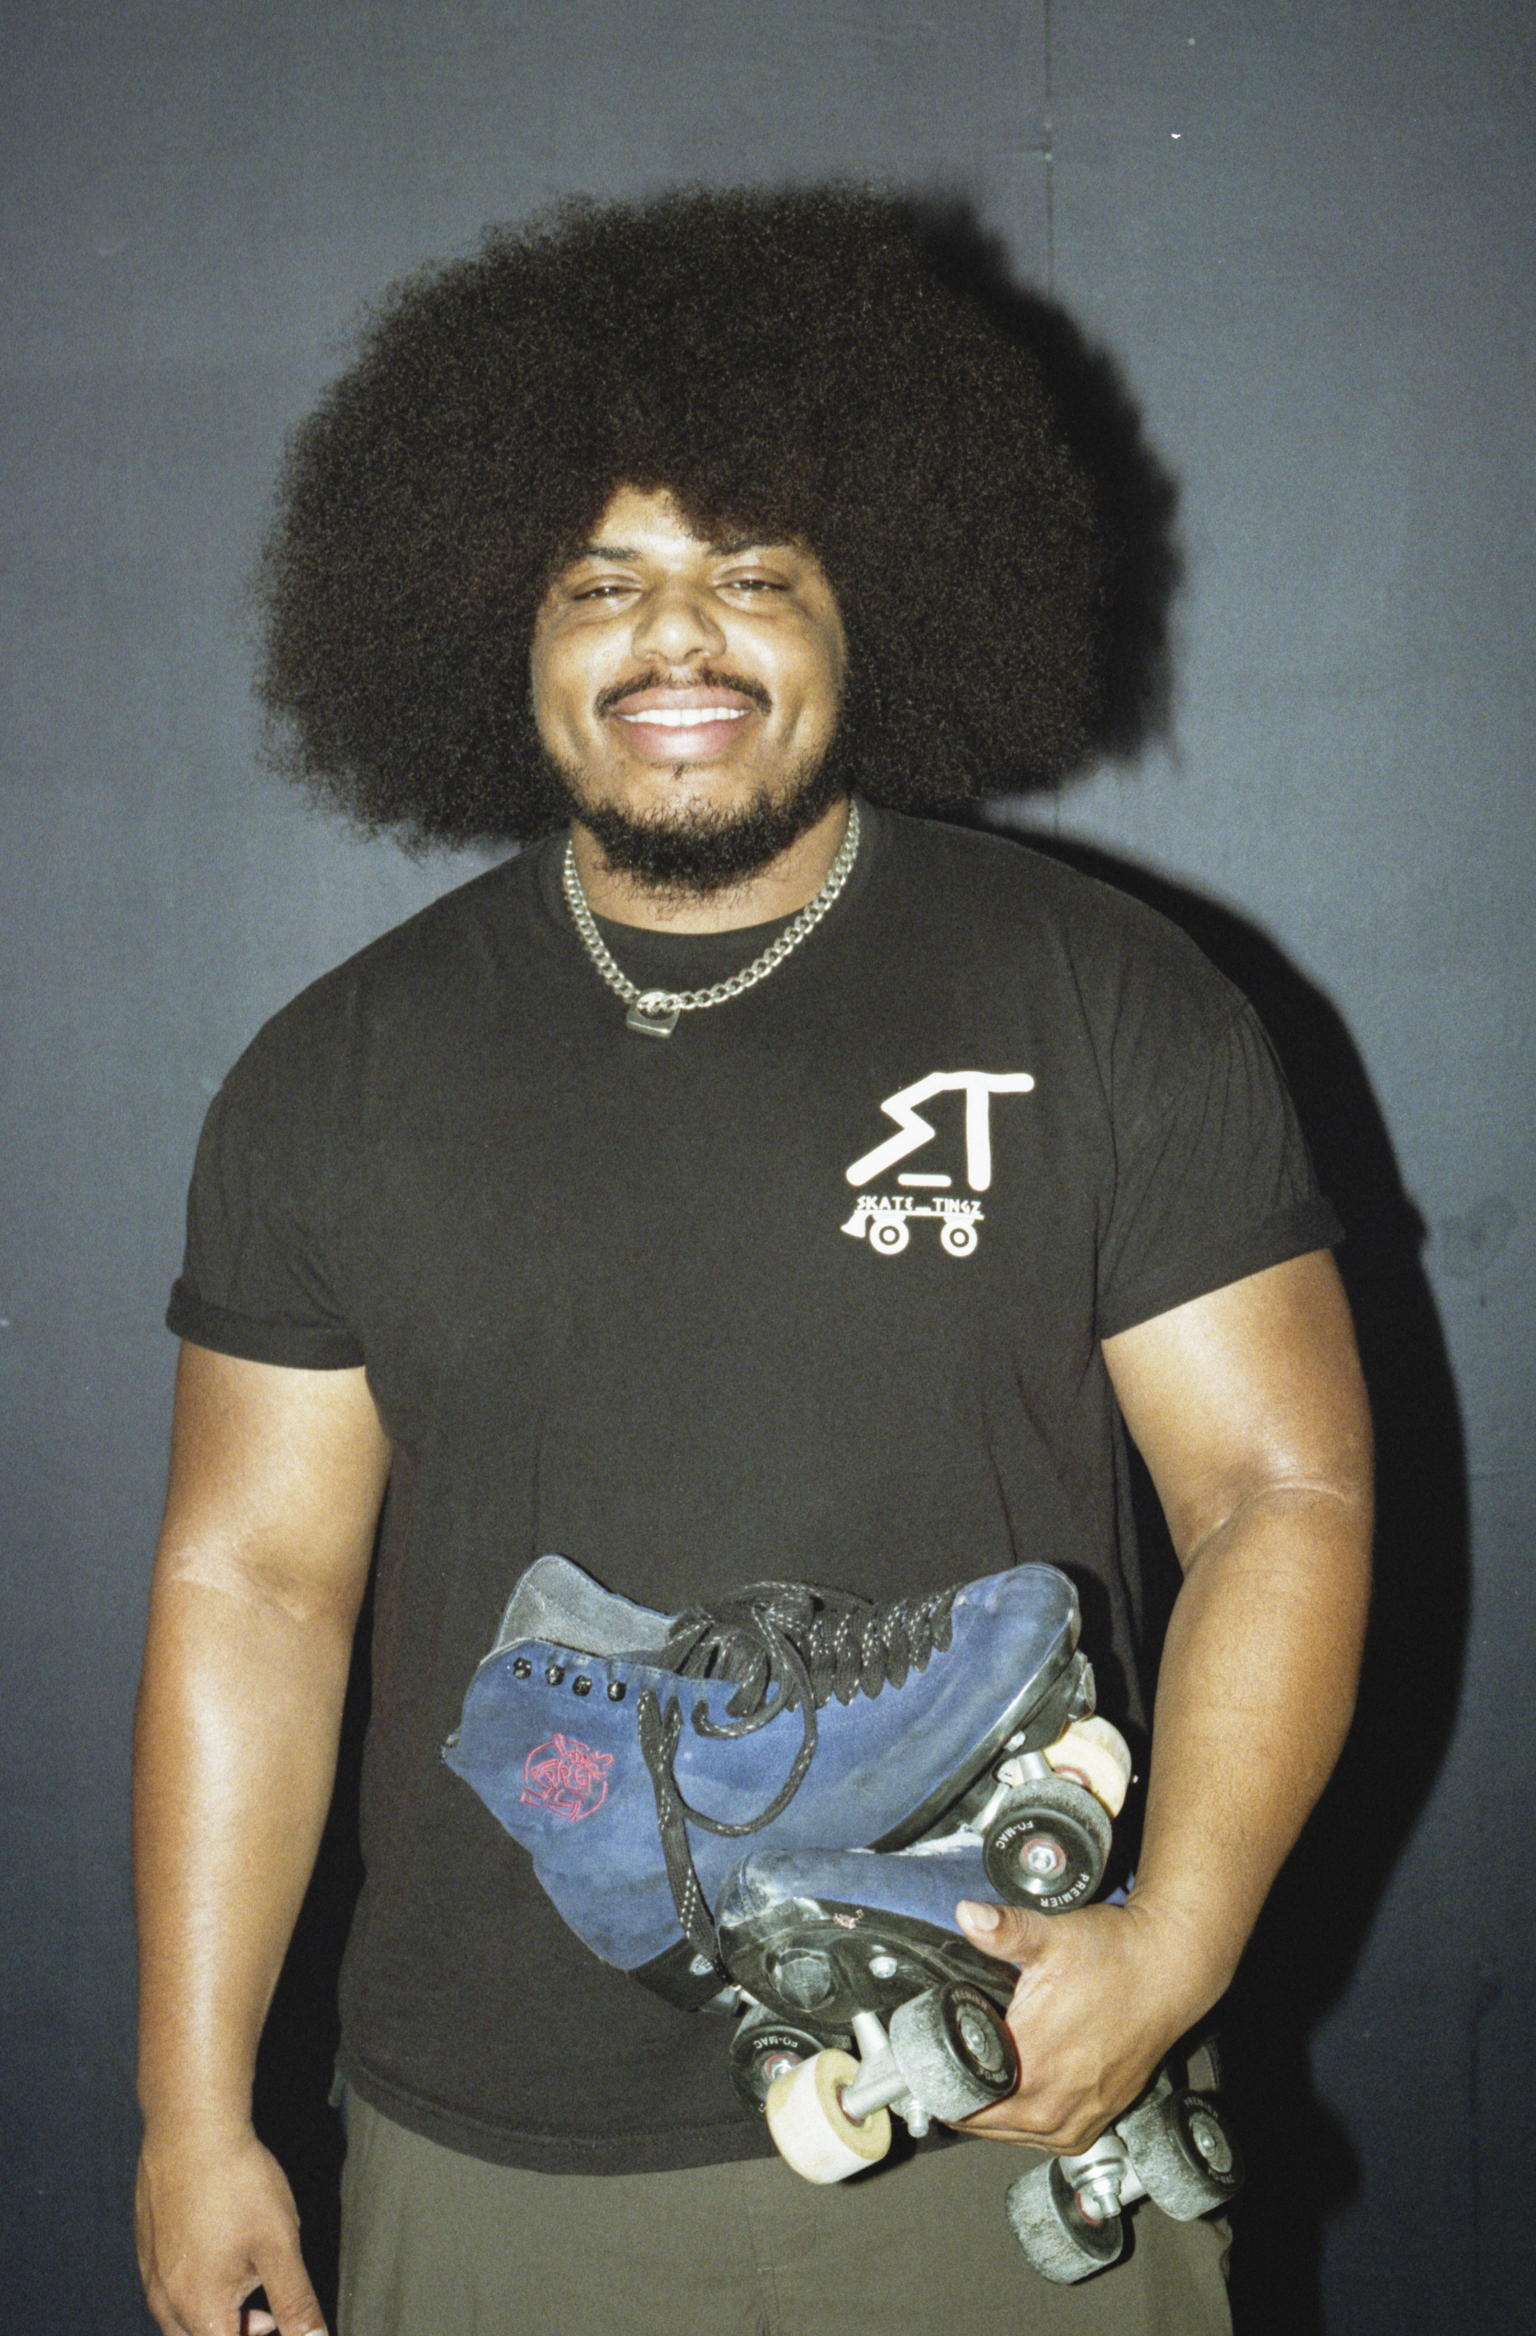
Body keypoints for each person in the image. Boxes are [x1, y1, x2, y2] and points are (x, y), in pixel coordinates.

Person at [132, 189, 1372, 2336]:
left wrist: (1173, 1942)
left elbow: (1284, 1495)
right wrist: (191, 2113)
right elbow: (253, 1590)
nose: (674, 641)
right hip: (492, 2158)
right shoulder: (333, 1072)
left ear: (866, 604)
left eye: (752, 575)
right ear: (492, 628)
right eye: (601, 580)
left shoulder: (1106, 998)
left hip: (1012, 2101)